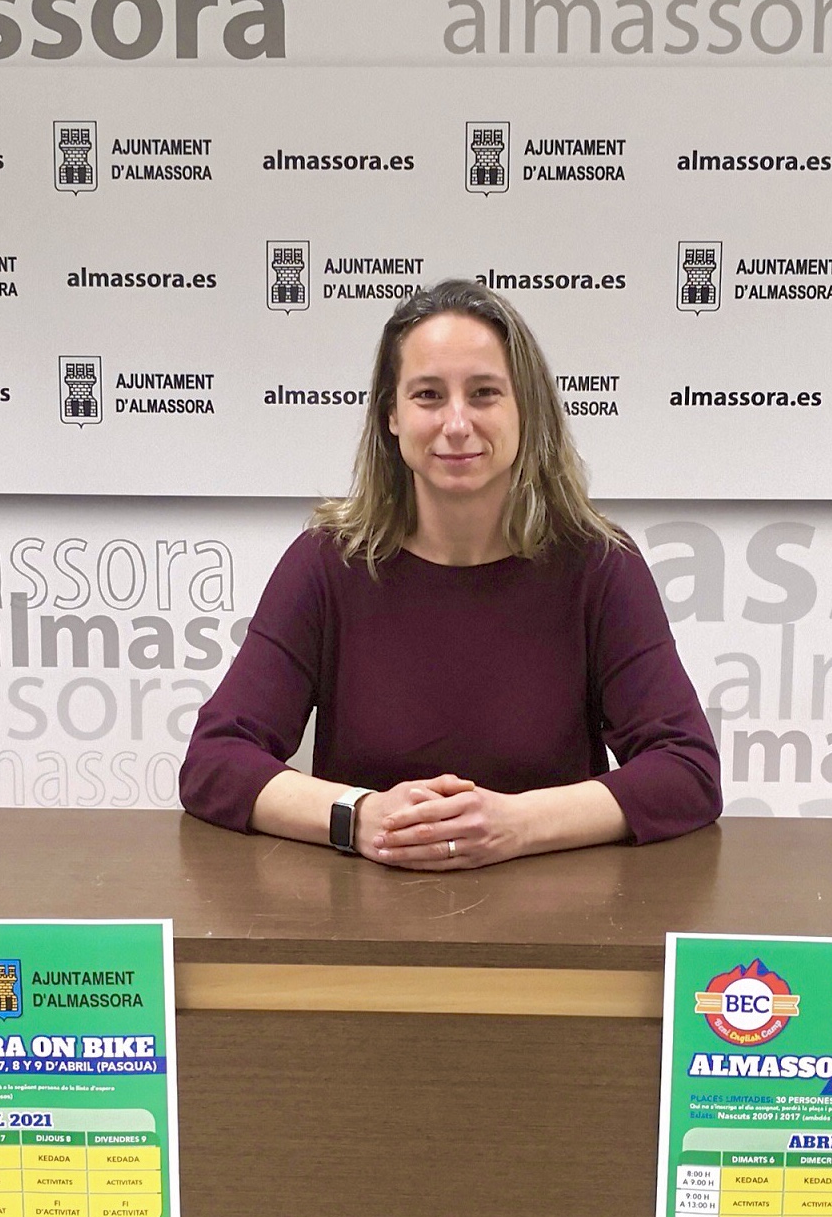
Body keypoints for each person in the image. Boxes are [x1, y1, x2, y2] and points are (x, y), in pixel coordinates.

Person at [179, 279, 720, 867]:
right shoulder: (326, 564)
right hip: (359, 927)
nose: (457, 423)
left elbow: (687, 772)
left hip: (557, 928)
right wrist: (358, 818)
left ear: (526, 410)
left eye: (485, 393)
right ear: (390, 413)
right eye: (429, 395)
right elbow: (215, 761)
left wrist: (516, 824)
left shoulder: (600, 567)